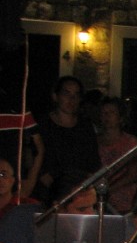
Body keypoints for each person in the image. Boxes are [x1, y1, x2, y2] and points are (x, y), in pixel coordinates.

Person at [33, 76, 101, 204]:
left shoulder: (85, 126)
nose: (72, 99)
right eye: (67, 94)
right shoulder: (42, 125)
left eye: (76, 95)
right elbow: (34, 158)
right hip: (47, 192)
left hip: (79, 191)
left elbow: (93, 161)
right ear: (55, 96)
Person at [96, 96, 137, 215]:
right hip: (99, 200)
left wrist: (110, 189)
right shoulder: (95, 141)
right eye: (104, 113)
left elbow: (133, 173)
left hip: (124, 200)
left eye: (111, 112)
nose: (107, 116)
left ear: (120, 117)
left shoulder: (130, 141)